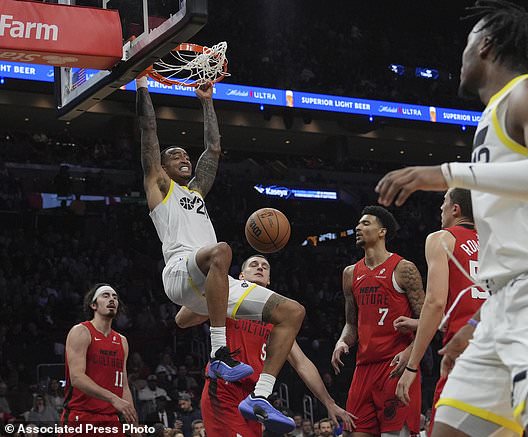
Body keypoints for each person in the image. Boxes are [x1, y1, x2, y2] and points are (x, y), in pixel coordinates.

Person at [375, 1, 528, 436]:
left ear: (485, 45)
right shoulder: (492, 116)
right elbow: (512, 246)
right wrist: (477, 322)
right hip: (502, 308)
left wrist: (444, 173)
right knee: (446, 429)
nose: (461, 55)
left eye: (466, 44)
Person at [136, 77, 305, 432]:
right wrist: (142, 86)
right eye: (174, 156)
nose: (182, 158)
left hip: (214, 279)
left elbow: (212, 151)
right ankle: (218, 355)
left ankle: (260, 395)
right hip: (181, 271)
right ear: (162, 168)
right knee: (222, 250)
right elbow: (149, 134)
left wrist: (207, 102)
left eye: (184, 155)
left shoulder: (196, 192)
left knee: (292, 312)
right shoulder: (158, 187)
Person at [177, 254, 357, 436]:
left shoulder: (277, 319)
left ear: (269, 279)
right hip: (224, 390)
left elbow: (301, 363)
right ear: (241, 276)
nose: (260, 267)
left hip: (253, 398)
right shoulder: (227, 298)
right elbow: (182, 320)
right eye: (254, 265)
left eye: (265, 266)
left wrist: (328, 402)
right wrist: (214, 291)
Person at [395, 189, 486, 436]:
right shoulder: (496, 242)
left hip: (464, 352)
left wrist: (412, 366)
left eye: (444, 203)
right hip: (504, 350)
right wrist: (420, 323)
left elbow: (435, 302)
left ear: (455, 209)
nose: (440, 209)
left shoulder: (442, 239)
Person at [331, 206, 425, 436]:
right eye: (358, 223)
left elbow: (429, 321)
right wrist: (343, 341)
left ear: (382, 231)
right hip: (363, 368)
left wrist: (411, 352)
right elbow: (351, 324)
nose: (358, 227)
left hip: (395, 366)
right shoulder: (350, 273)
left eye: (365, 223)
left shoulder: (404, 269)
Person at [60, 283, 137, 436]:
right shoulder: (81, 331)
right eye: (106, 296)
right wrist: (113, 398)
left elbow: (124, 385)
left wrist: (134, 425)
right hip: (81, 416)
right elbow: (77, 378)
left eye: (115, 297)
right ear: (93, 305)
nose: (112, 300)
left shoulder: (122, 341)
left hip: (111, 421)